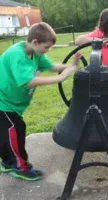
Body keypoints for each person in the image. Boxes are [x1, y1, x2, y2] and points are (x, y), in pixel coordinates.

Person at [0, 22, 82, 181]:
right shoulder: (17, 55)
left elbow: (51, 66)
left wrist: (71, 66)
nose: (48, 50)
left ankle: (7, 162)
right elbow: (30, 81)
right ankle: (20, 167)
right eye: (47, 47)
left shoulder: (36, 53)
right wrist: (59, 77)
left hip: (12, 104)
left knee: (7, 134)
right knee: (15, 130)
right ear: (35, 42)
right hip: (3, 102)